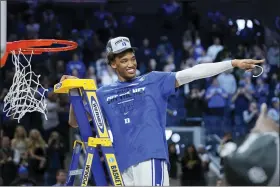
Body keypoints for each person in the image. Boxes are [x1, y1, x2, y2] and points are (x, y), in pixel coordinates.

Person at [60, 36, 264, 186]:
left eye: (132, 58)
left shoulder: (154, 80)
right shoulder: (103, 93)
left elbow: (193, 73)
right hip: (120, 164)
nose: (131, 64)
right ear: (113, 64)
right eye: (124, 61)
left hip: (150, 157)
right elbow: (76, 122)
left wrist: (232, 63)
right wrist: (75, 95)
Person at [220, 103, 279, 186]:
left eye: (255, 107)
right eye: (252, 107)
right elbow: (247, 120)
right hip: (248, 133)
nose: (254, 108)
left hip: (258, 136)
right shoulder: (246, 112)